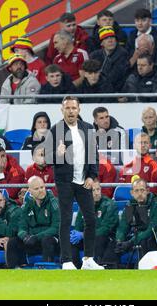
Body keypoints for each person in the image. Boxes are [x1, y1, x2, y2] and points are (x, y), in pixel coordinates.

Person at [43, 96, 103, 270]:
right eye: (67, 108)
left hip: (84, 181)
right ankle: (67, 261)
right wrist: (58, 154)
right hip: (65, 182)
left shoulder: (88, 128)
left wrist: (92, 176)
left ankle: (89, 259)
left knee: (91, 219)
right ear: (62, 110)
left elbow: (94, 155)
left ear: (79, 110)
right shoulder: (55, 130)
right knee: (66, 220)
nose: (70, 111)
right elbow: (47, 159)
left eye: (73, 108)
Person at [103, 178, 157, 268]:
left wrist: (130, 242)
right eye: (136, 191)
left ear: (147, 191)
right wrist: (119, 240)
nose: (139, 193)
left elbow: (151, 230)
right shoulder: (130, 205)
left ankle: (142, 270)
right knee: (114, 244)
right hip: (135, 238)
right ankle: (109, 271)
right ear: (132, 193)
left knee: (145, 241)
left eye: (142, 190)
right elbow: (123, 227)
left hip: (151, 239)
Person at [7, 176, 60, 268]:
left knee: (47, 240)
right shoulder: (27, 205)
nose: (40, 190)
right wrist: (25, 237)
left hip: (51, 241)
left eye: (42, 187)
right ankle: (14, 270)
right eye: (36, 188)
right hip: (32, 241)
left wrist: (36, 237)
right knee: (12, 242)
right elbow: (21, 227)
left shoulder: (54, 203)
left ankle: (47, 269)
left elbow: (56, 228)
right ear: (30, 191)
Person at [70, 179, 118, 268]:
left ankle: (96, 266)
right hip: (88, 237)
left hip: (105, 238)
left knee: (98, 238)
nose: (96, 193)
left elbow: (105, 229)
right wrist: (75, 234)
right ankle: (75, 268)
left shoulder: (109, 205)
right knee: (71, 241)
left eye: (98, 189)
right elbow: (78, 225)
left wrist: (84, 235)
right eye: (93, 190)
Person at [90, 26, 129, 92]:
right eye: (106, 38)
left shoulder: (122, 54)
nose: (110, 40)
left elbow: (115, 77)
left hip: (115, 89)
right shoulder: (94, 55)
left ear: (116, 40)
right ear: (101, 43)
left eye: (112, 37)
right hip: (97, 88)